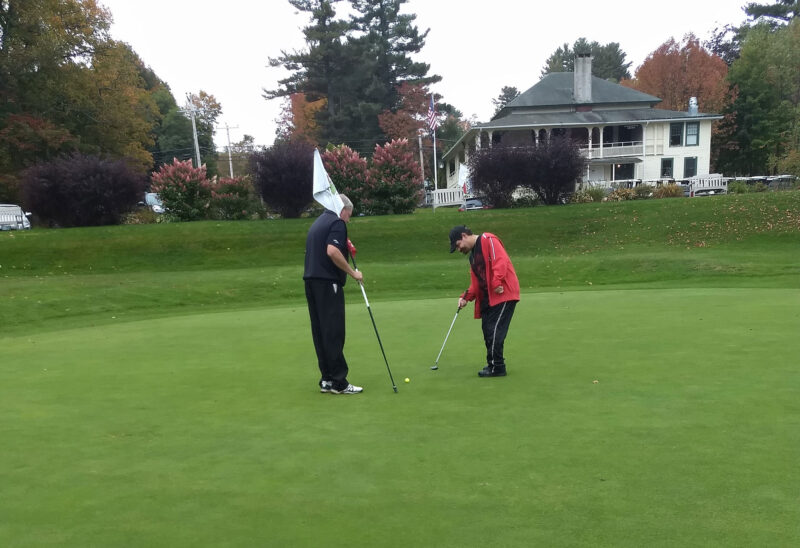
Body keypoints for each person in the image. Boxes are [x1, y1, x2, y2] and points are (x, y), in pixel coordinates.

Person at [304, 195, 364, 394]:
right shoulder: (337, 222)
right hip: (328, 283)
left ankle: (327, 379)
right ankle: (339, 382)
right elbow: (332, 251)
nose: (348, 220)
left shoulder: (318, 222)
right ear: (343, 209)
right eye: (349, 215)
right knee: (333, 331)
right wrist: (352, 272)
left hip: (311, 282)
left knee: (321, 332)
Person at [449, 225, 520, 377]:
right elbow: (476, 283)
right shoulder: (472, 257)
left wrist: (497, 282)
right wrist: (465, 297)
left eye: (458, 245)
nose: (459, 249)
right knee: (488, 331)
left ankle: (498, 367)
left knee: (495, 331)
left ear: (464, 236)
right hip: (488, 297)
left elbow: (500, 260)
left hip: (503, 293)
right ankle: (492, 364)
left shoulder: (488, 239)